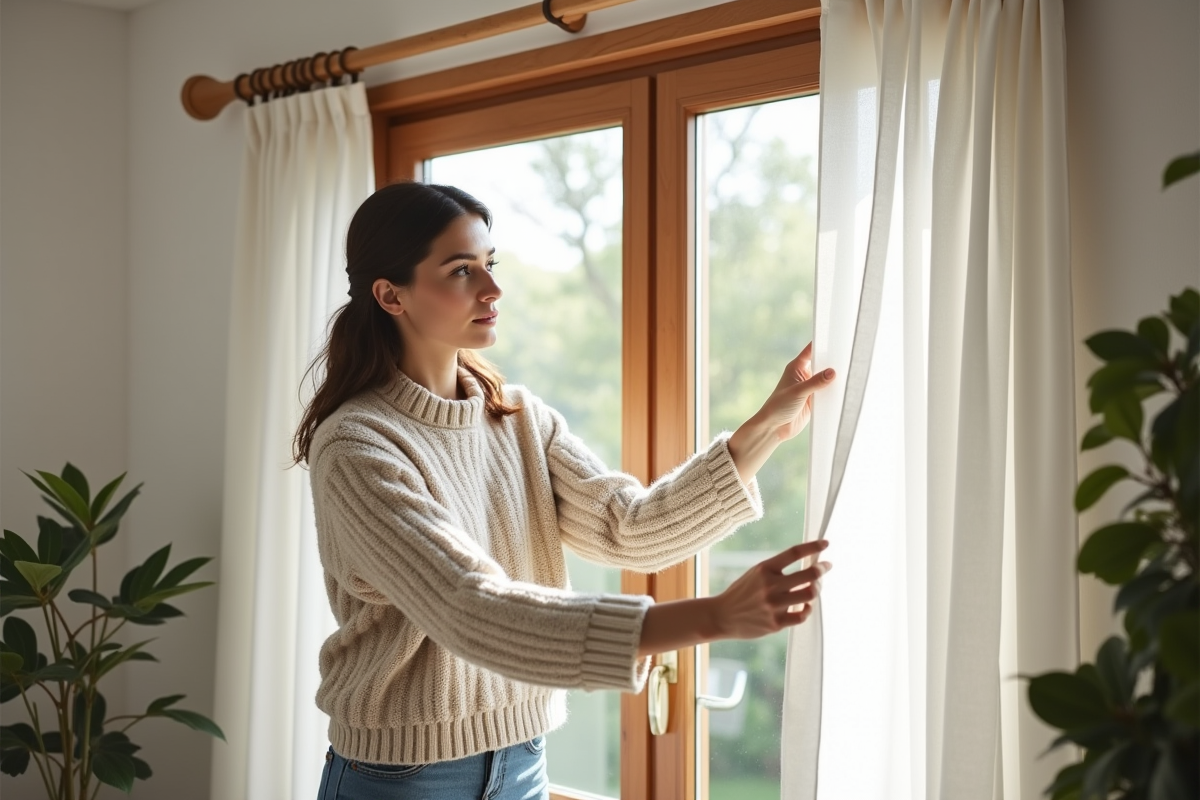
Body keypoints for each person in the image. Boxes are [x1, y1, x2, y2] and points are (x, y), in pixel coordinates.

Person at [297, 182, 836, 800]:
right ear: (391, 294)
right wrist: (712, 616)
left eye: (490, 265)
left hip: (524, 760)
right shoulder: (357, 447)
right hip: (406, 778)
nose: (493, 289)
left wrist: (764, 428)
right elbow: (470, 607)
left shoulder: (519, 418)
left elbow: (629, 527)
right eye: (462, 271)